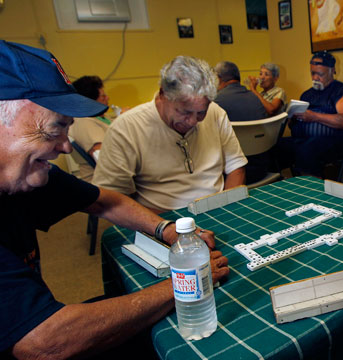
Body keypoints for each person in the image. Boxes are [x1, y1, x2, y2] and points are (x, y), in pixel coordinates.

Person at [0, 41, 229, 359]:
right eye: (55, 128)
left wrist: (168, 230)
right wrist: (185, 281)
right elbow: (45, 341)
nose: (67, 147)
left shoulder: (26, 176)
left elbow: (105, 201)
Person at [93, 56, 248, 213]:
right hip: (160, 216)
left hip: (217, 207)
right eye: (184, 112)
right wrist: (163, 225)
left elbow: (236, 167)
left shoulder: (216, 112)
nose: (193, 121)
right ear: (163, 94)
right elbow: (110, 199)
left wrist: (228, 210)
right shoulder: (125, 128)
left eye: (201, 112)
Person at [276, 51, 343, 178]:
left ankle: (311, 189)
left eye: (320, 74)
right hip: (303, 140)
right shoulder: (307, 94)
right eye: (312, 73)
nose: (315, 78)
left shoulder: (342, 92)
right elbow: (293, 124)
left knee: (307, 150)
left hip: (333, 143)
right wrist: (292, 118)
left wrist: (314, 116)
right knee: (276, 147)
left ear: (332, 71)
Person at [68, 76, 111, 181]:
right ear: (90, 102)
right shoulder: (84, 123)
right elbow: (104, 159)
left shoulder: (99, 117)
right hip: (104, 184)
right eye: (103, 96)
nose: (108, 98)